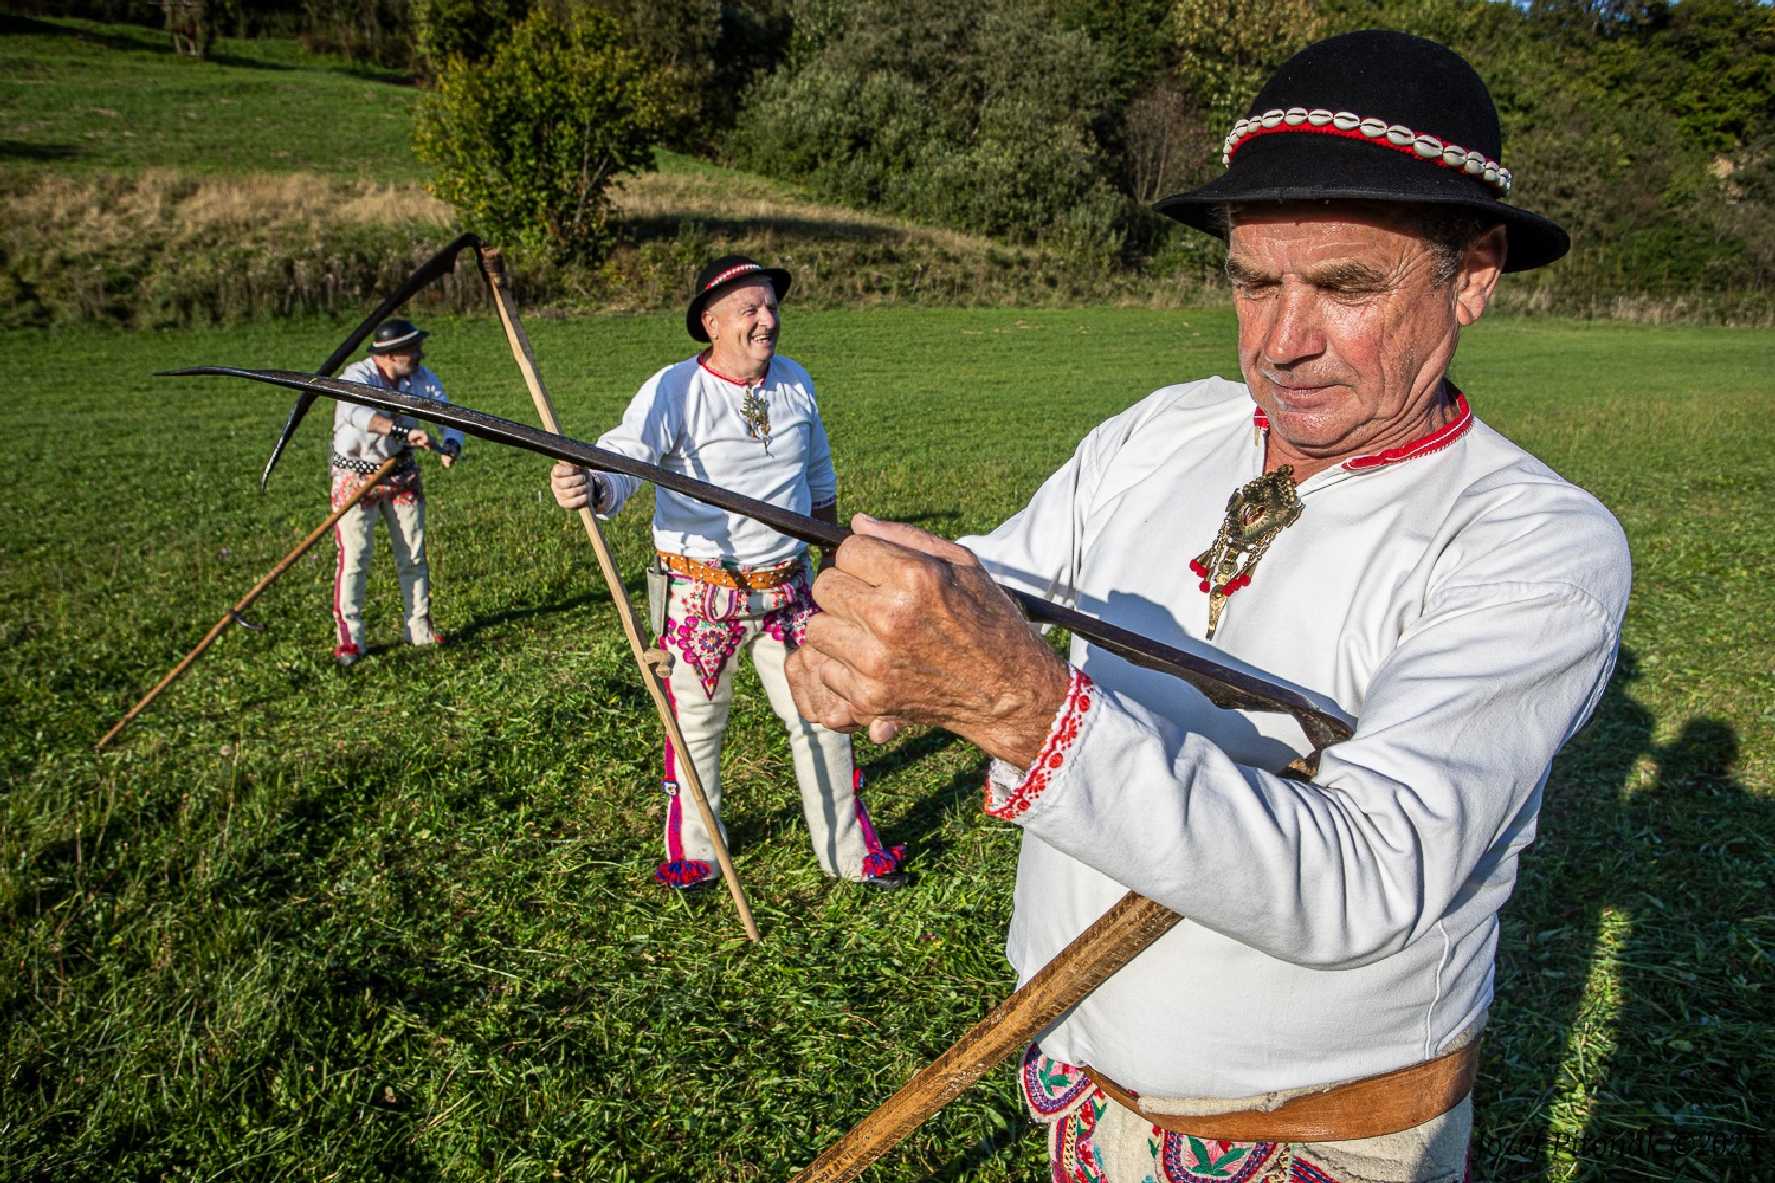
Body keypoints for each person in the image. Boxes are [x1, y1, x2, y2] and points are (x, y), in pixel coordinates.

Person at [785, 31, 1631, 1183]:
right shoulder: (1162, 429)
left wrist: (1022, 709)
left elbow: (1365, 876)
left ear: (1471, 274)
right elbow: (989, 584)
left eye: (1344, 286)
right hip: (1080, 1081)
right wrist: (864, 634)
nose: (1283, 341)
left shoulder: (1535, 544)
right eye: (1251, 281)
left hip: (1315, 1141)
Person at [549, 255, 908, 892]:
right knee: (697, 728)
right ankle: (696, 855)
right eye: (750, 309)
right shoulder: (674, 389)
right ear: (712, 323)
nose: (767, 320)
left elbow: (818, 475)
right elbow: (628, 458)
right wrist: (593, 482)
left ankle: (848, 854)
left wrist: (831, 558)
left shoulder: (795, 382)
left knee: (822, 715)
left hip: (790, 590)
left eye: (770, 306)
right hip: (701, 593)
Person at [330, 318, 463, 668]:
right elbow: (356, 413)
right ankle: (351, 638)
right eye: (412, 349)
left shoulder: (420, 378)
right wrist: (402, 430)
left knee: (414, 554)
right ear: (389, 355)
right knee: (355, 558)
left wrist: (451, 442)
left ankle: (418, 627)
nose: (420, 354)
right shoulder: (357, 376)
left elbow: (446, 412)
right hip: (356, 478)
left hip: (401, 473)